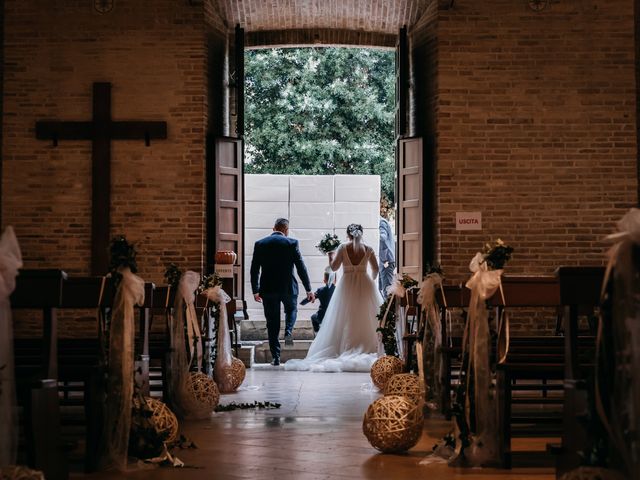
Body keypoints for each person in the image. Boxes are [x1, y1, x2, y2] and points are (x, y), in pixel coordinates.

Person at [285, 223, 383, 372]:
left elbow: (334, 268)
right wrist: (371, 280)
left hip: (347, 285)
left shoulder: (343, 248)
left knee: (346, 316)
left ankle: (346, 345)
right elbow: (376, 269)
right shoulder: (368, 249)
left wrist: (331, 256)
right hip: (365, 284)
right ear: (361, 234)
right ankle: (369, 345)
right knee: (366, 315)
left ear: (348, 235)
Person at [250, 218, 314, 366]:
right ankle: (289, 331)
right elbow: (301, 268)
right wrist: (308, 289)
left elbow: (254, 270)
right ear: (286, 230)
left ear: (274, 229)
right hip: (288, 287)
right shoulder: (291, 243)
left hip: (268, 289)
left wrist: (255, 290)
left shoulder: (260, 244)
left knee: (272, 323)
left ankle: (276, 358)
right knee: (291, 310)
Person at [310, 268, 336, 334]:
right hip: (334, 317)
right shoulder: (337, 291)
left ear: (324, 280)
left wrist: (311, 298)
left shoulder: (320, 290)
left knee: (313, 317)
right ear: (335, 280)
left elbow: (312, 297)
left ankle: (317, 332)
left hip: (322, 317)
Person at [378, 215, 396, 296]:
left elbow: (383, 237)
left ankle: (389, 307)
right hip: (384, 260)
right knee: (382, 288)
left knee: (387, 289)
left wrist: (373, 233)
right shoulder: (382, 221)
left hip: (386, 260)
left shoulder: (381, 222)